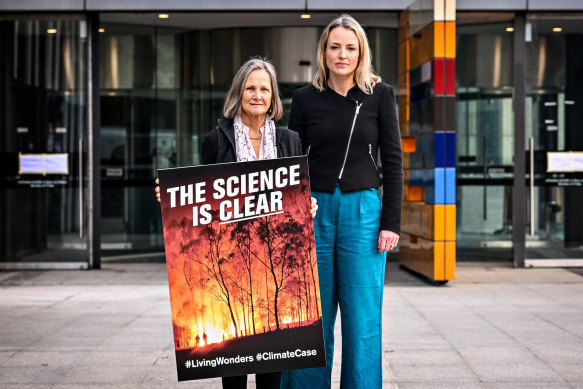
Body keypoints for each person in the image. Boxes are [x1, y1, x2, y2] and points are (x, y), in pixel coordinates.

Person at [155, 57, 317, 389]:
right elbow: (202, 198)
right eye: (250, 88)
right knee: (235, 364)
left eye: (264, 89)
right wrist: (173, 197)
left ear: (273, 96)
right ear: (238, 93)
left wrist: (307, 203)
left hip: (276, 262)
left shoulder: (290, 141)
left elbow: (295, 193)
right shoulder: (215, 140)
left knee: (273, 361)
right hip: (230, 259)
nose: (257, 95)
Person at [280, 14, 403, 389]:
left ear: (361, 52)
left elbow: (394, 161)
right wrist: (287, 218)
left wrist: (391, 222)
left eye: (350, 48)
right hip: (311, 211)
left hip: (363, 212)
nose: (342, 54)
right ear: (324, 51)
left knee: (363, 318)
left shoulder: (380, 95)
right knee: (308, 314)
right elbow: (291, 161)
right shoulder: (304, 99)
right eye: (335, 47)